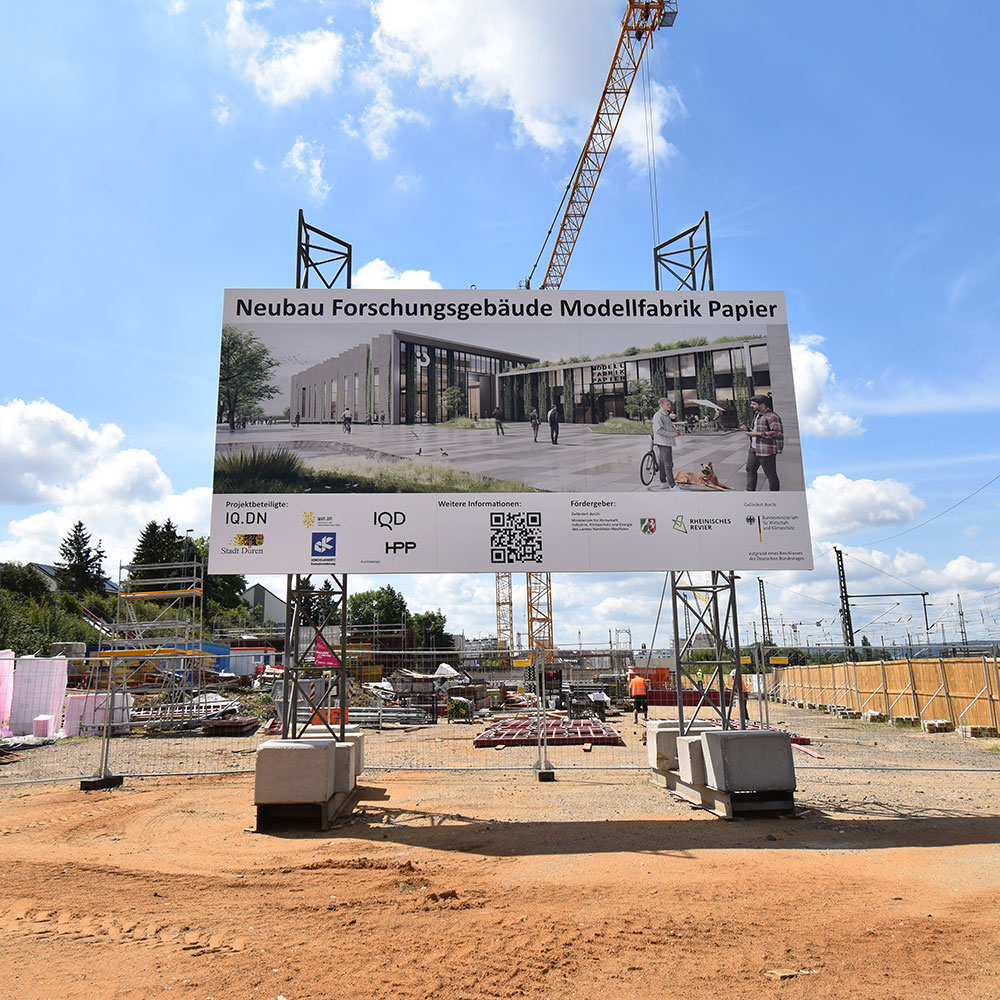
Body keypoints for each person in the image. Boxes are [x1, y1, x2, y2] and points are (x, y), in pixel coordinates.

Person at [741, 394, 783, 491]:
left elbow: (777, 433)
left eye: (754, 404)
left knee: (770, 475)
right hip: (753, 449)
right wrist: (747, 429)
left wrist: (757, 434)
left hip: (766, 451)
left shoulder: (772, 416)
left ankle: (775, 496)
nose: (752, 406)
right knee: (750, 469)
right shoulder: (757, 415)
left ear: (762, 405)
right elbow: (756, 430)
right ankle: (750, 491)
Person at [651, 397, 678, 488]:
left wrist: (672, 428)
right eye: (667, 404)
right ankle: (672, 486)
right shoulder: (658, 416)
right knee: (668, 464)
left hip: (666, 442)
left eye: (670, 404)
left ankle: (663, 482)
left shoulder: (666, 415)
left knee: (663, 463)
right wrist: (673, 434)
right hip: (663, 442)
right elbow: (659, 430)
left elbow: (665, 427)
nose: (670, 406)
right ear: (661, 405)